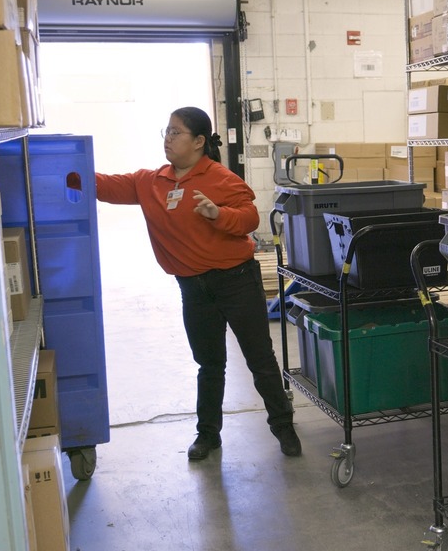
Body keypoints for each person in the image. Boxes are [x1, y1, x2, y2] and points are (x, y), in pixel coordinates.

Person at [88, 106, 301, 460]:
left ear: (199, 141)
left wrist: (218, 214)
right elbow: (104, 185)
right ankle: (208, 436)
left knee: (260, 359)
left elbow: (249, 217)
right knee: (209, 364)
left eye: (176, 133)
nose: (168, 139)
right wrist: (63, 168)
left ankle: (284, 427)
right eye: (166, 132)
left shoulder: (221, 179)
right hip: (193, 289)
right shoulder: (150, 182)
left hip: (237, 283)